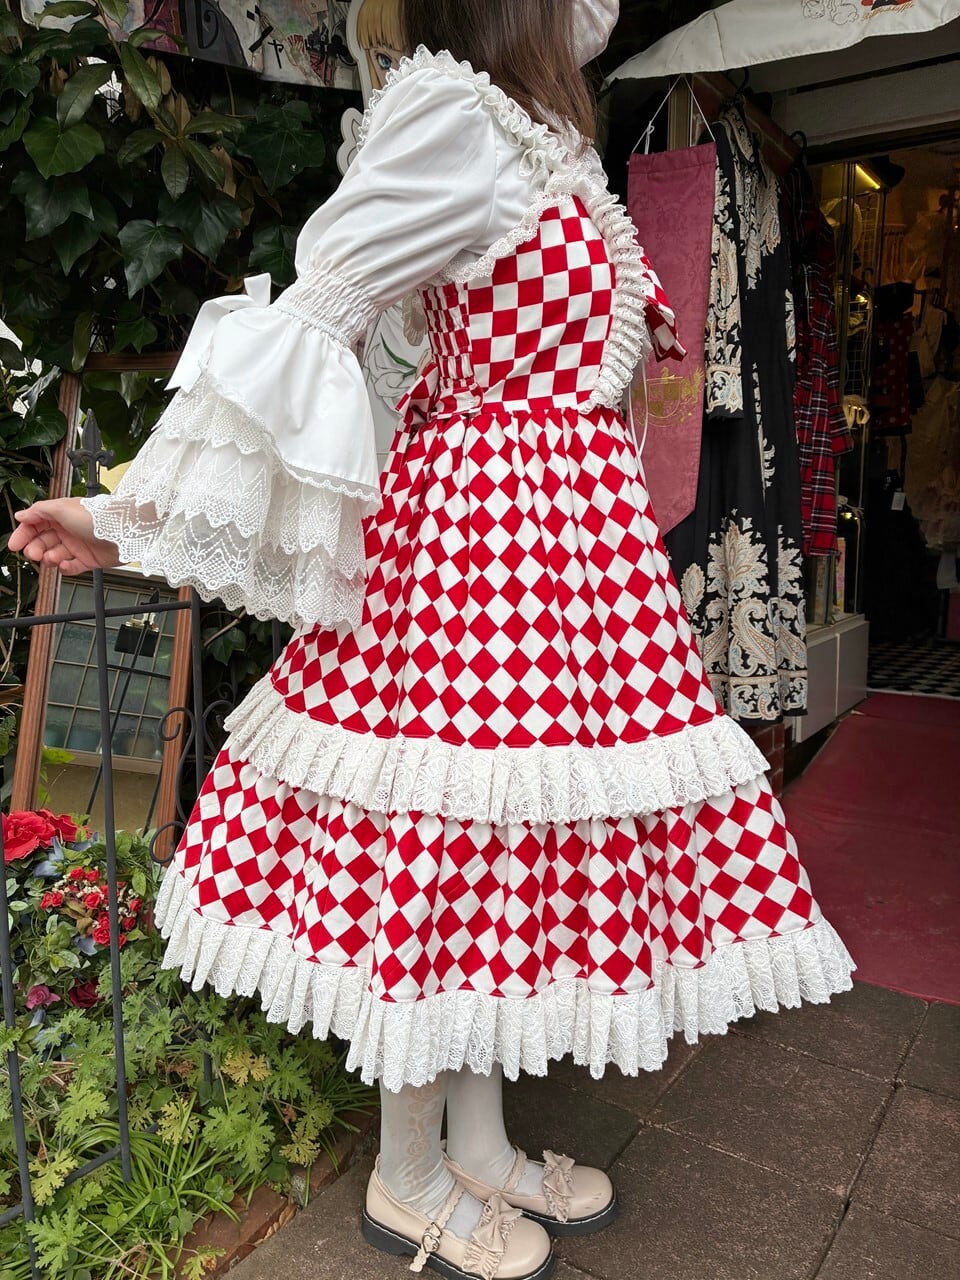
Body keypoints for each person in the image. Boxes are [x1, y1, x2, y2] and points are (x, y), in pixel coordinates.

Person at [12, 2, 854, 1277]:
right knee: (450, 840)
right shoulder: (458, 117)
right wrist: (127, 517)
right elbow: (325, 313)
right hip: (480, 550)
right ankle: (406, 1177)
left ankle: (479, 1142)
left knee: (503, 847)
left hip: (561, 552)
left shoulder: (535, 138)